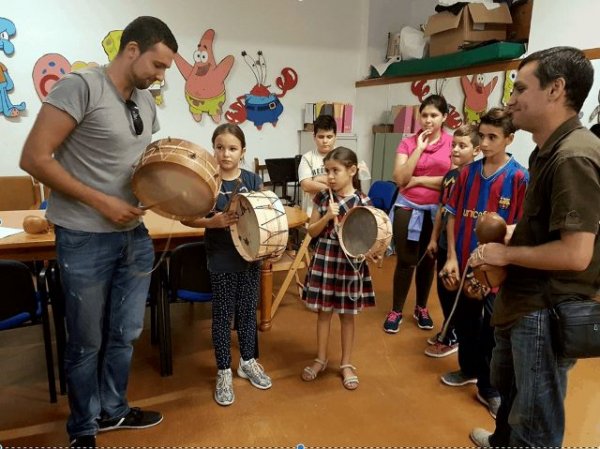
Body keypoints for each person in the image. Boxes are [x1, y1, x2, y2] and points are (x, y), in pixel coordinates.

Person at [19, 16, 178, 449]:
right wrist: (101, 201)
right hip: (84, 237)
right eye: (158, 65)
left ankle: (113, 410)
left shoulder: (145, 102)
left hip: (133, 236)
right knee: (86, 341)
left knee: (125, 333)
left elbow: (140, 167)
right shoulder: (80, 87)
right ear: (131, 50)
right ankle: (83, 427)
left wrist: (179, 194)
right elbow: (33, 157)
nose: (161, 77)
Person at [469, 46, 600, 448]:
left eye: (521, 88)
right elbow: (550, 227)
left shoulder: (573, 155)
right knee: (510, 396)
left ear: (556, 89)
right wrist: (513, 231)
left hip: (546, 309)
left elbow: (576, 253)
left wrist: (505, 253)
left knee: (536, 425)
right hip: (523, 301)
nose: (510, 100)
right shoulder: (547, 150)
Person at [442, 107, 529, 419]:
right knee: (465, 322)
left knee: (492, 331)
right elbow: (452, 214)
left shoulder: (519, 177)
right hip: (465, 265)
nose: (486, 142)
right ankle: (467, 369)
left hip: (495, 273)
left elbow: (520, 231)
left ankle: (489, 388)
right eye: (483, 135)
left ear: (509, 138)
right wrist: (451, 256)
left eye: (494, 137)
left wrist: (498, 268)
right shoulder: (466, 173)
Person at [181, 123, 271, 407]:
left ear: (242, 152)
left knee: (246, 312)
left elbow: (265, 214)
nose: (225, 154)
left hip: (250, 257)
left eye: (232, 148)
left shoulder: (253, 181)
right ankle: (223, 371)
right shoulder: (208, 182)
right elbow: (186, 217)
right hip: (221, 258)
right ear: (213, 149)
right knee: (222, 316)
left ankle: (247, 361)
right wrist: (212, 222)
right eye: (220, 147)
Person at [300, 146, 377, 390]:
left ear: (352, 170)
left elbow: (371, 237)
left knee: (347, 316)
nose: (330, 177)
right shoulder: (323, 198)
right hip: (325, 258)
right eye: (327, 171)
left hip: (350, 264)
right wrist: (325, 217)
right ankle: (320, 359)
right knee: (323, 313)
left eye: (336, 171)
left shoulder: (363, 202)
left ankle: (345, 363)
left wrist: (375, 252)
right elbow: (311, 232)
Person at [384, 94, 453, 334]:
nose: (428, 120)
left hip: (437, 211)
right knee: (405, 260)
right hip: (407, 207)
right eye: (424, 115)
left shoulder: (452, 143)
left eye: (434, 115)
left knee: (428, 261)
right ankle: (396, 310)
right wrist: (419, 149)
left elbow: (451, 181)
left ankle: (421, 307)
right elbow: (400, 178)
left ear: (444, 117)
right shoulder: (407, 143)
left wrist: (419, 179)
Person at [424, 123, 480, 358]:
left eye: (462, 146)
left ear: (476, 150)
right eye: (454, 145)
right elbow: (442, 209)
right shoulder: (450, 175)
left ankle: (453, 335)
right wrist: (434, 238)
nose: (455, 150)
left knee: (460, 294)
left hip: (463, 245)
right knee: (444, 289)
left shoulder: (476, 177)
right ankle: (449, 328)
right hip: (446, 243)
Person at [298, 115, 337, 215]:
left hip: (336, 212)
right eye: (321, 137)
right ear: (314, 137)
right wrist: (331, 187)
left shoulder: (342, 157)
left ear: (335, 136)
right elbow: (306, 185)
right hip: (312, 213)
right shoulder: (307, 158)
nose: (325, 141)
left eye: (329, 137)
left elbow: (345, 184)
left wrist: (317, 180)